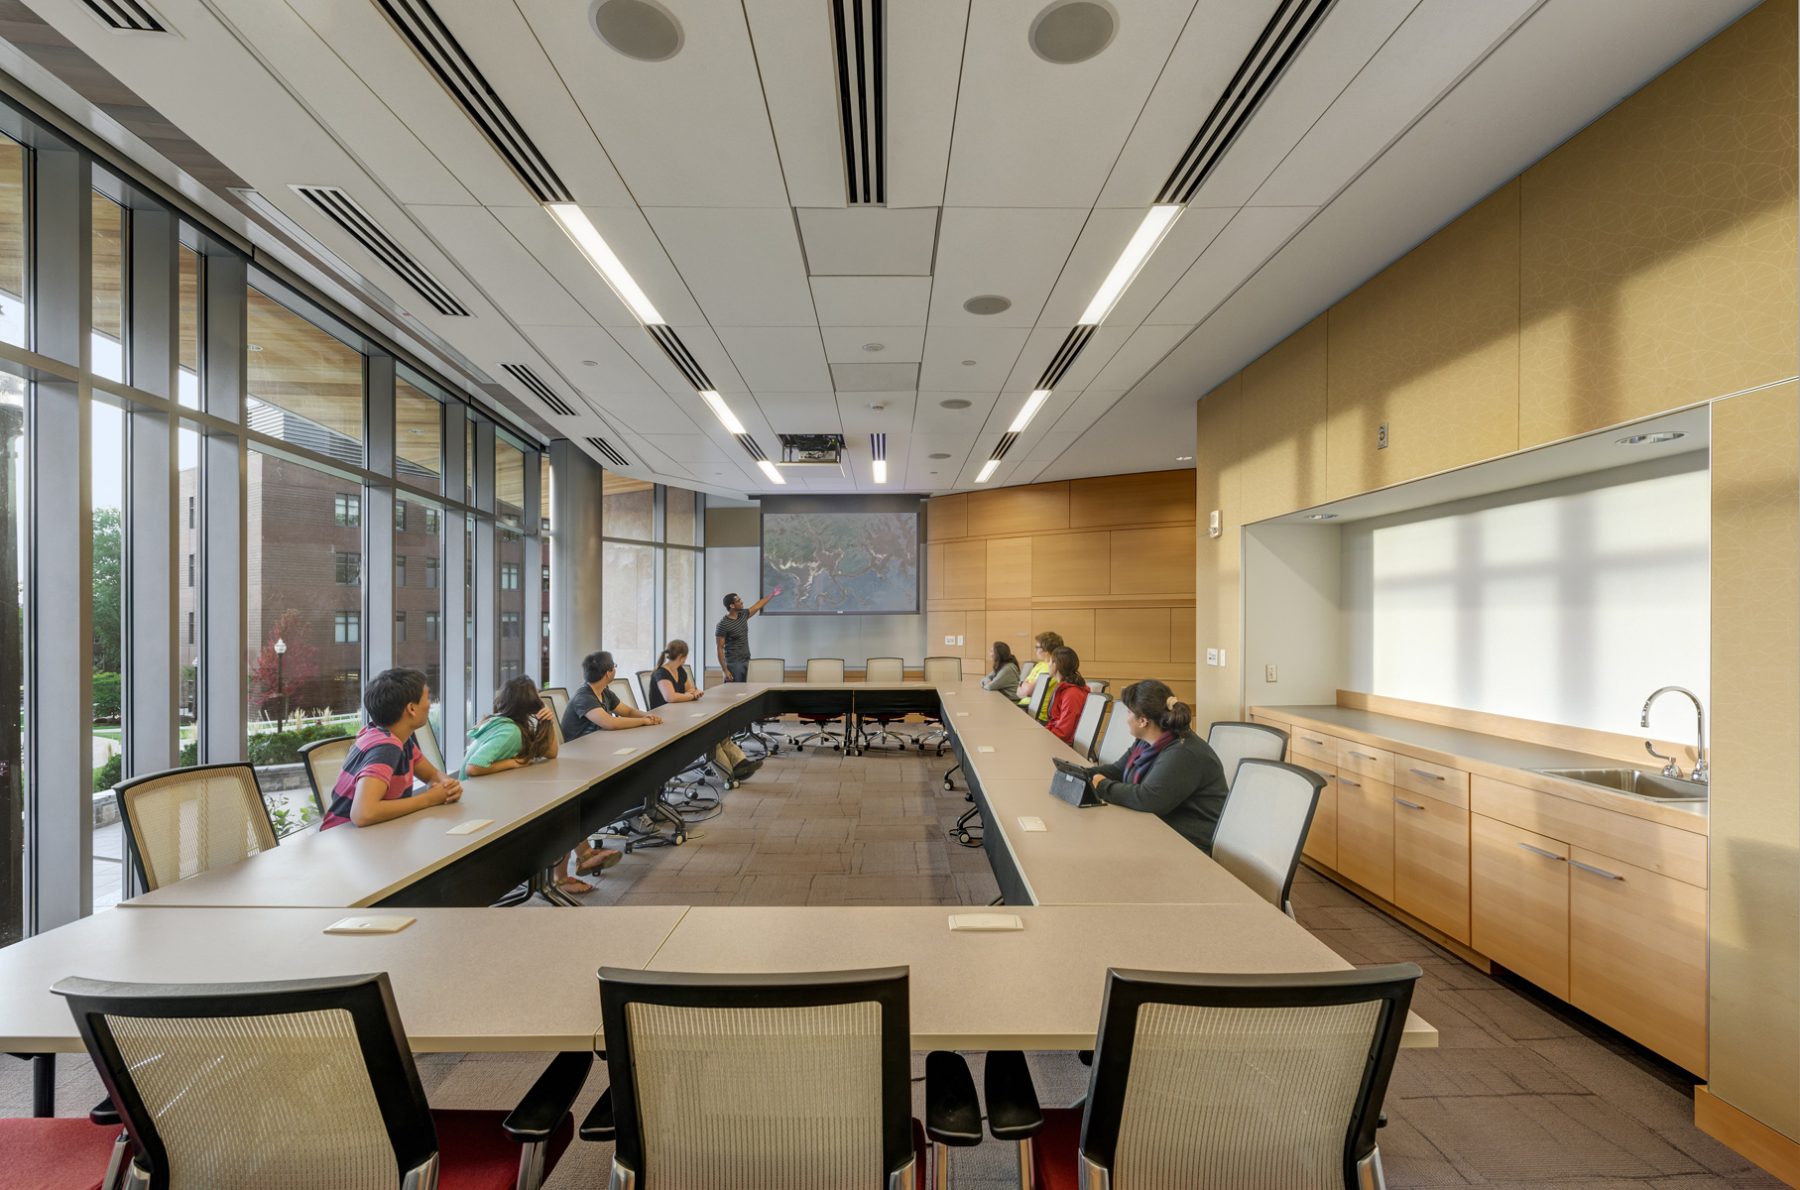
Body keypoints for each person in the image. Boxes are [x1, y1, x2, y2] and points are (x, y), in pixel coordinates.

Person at [463, 675, 620, 894]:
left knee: (564, 805)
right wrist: (513, 763)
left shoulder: (510, 724)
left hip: (491, 796)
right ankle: (563, 876)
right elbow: (473, 767)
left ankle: (582, 857)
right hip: (482, 808)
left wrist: (548, 722)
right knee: (561, 811)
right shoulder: (509, 731)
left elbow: (550, 753)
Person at [1087, 679, 1229, 853]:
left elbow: (1148, 799)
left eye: (1129, 712)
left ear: (1143, 721)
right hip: (1157, 828)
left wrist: (1102, 786)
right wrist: (1083, 774)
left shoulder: (1184, 752)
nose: (1126, 718)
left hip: (1188, 844)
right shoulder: (1146, 742)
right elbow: (1118, 770)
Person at [321, 668, 463, 830]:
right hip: (346, 842)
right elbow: (363, 814)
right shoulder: (386, 747)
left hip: (375, 837)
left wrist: (448, 787)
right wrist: (429, 799)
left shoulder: (400, 740)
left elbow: (432, 775)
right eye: (427, 698)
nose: (430, 704)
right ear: (411, 709)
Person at [649, 639, 760, 781]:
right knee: (710, 736)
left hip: (680, 716)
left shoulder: (679, 670)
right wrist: (690, 696)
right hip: (666, 722)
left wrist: (693, 692)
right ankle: (728, 774)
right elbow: (670, 697)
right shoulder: (661, 673)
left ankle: (741, 763)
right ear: (682, 656)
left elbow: (690, 688)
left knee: (719, 731)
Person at [562, 650, 663, 741]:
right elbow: (610, 723)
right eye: (614, 666)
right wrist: (643, 721)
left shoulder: (604, 692)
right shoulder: (584, 697)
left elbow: (628, 711)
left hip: (599, 743)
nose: (615, 669)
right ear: (608, 673)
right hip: (580, 749)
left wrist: (648, 716)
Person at [714, 589, 779, 682]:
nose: (741, 602)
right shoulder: (723, 624)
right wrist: (724, 670)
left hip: (747, 660)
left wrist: (772, 594)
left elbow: (757, 606)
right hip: (734, 664)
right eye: (738, 601)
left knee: (747, 691)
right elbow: (719, 648)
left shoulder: (743, 615)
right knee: (735, 692)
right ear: (732, 605)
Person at [1042, 646, 1090, 747]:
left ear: (1057, 665)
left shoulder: (1072, 693)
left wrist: (1043, 737)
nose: (1048, 664)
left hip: (1063, 745)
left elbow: (1064, 731)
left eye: (1050, 661)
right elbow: (1056, 721)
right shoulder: (1063, 688)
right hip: (1057, 739)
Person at [1016, 630, 1062, 716]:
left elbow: (1026, 691)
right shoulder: (1039, 665)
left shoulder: (1050, 668)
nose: (1035, 650)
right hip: (1025, 708)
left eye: (1037, 647)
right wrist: (1024, 686)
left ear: (1046, 650)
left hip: (1036, 714)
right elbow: (1018, 691)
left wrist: (1024, 685)